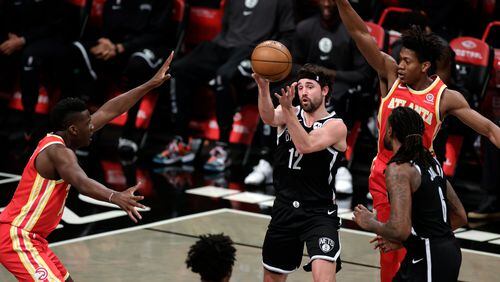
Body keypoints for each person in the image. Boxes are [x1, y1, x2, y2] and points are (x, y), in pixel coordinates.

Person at [335, 0, 500, 280]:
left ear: (425, 66)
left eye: (406, 62)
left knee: (431, 236)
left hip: (424, 176)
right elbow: (361, 34)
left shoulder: (444, 96)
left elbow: (490, 129)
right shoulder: (390, 75)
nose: (399, 65)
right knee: (391, 255)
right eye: (399, 59)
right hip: (387, 176)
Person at [0, 51, 174, 281]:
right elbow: (81, 182)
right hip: (18, 237)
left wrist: (149, 85)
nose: (92, 126)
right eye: (87, 124)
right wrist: (114, 196)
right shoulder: (59, 153)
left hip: (34, 239)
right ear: (73, 129)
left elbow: (111, 110)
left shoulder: (65, 138)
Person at [154, 0, 295, 172]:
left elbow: (288, 37)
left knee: (224, 76)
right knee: (178, 70)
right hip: (223, 46)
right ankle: (181, 142)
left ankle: (223, 148)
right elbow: (226, 30)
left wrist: (270, 57)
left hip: (254, 52)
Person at [353, 106, 468, 281]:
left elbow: (400, 229)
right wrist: (409, 242)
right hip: (442, 252)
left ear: (390, 131)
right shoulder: (431, 161)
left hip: (430, 258)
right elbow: (460, 215)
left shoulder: (398, 169)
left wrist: (370, 223)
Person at [255, 64, 347, 281]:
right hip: (284, 207)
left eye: (310, 86)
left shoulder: (336, 126)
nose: (304, 92)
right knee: (272, 277)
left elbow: (305, 145)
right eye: (301, 87)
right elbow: (268, 117)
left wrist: (287, 111)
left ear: (324, 90)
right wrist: (263, 87)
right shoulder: (291, 112)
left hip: (318, 212)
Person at [69, 0, 173, 156]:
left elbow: (157, 35)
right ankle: (87, 130)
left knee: (137, 64)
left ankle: (129, 134)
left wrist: (121, 47)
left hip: (148, 47)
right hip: (117, 46)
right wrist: (107, 42)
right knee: (82, 51)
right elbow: (110, 23)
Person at [292, 0, 375, 194]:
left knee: (338, 98)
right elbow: (294, 65)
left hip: (342, 88)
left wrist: (329, 74)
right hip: (310, 83)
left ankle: (341, 166)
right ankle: (271, 160)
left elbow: (363, 74)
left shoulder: (352, 33)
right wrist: (311, 77)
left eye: (332, 0)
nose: (328, 4)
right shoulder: (305, 28)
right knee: (283, 92)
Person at [0, 0, 69, 142]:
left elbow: (54, 25)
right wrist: (11, 34)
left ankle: (28, 125)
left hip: (49, 38)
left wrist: (23, 40)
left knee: (29, 57)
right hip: (16, 37)